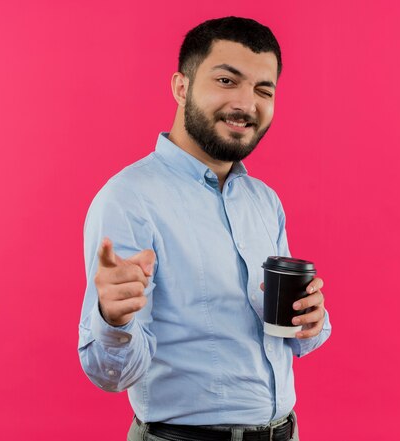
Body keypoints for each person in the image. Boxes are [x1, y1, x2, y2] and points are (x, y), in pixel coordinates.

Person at [78, 16, 332, 441]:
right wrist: (113, 319)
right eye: (227, 81)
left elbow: (290, 338)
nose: (247, 104)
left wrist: (311, 319)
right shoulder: (129, 198)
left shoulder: (263, 201)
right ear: (181, 87)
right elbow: (111, 375)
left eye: (263, 89)